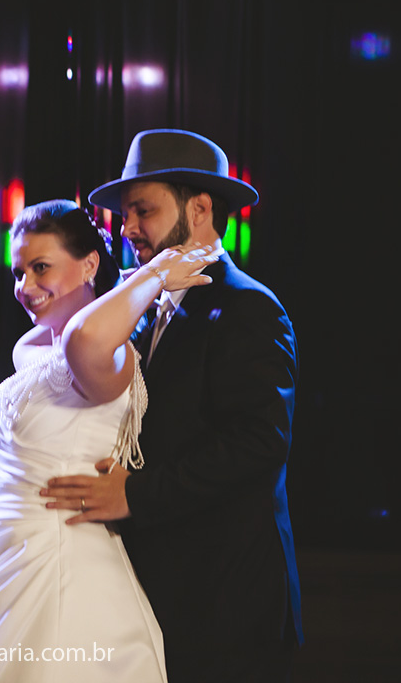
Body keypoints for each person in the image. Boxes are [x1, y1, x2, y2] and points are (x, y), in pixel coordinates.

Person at [42, 129, 303, 681]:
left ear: (201, 208)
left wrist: (133, 493)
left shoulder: (249, 307)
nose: (128, 227)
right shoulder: (142, 309)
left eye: (143, 210)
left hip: (228, 604)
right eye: (126, 214)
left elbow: (260, 443)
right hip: (157, 595)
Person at [0, 199, 220, 683]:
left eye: (41, 268)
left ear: (90, 264)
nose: (24, 287)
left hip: (62, 563)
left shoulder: (104, 353)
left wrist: (153, 274)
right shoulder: (33, 347)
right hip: (2, 560)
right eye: (17, 272)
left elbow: (83, 338)